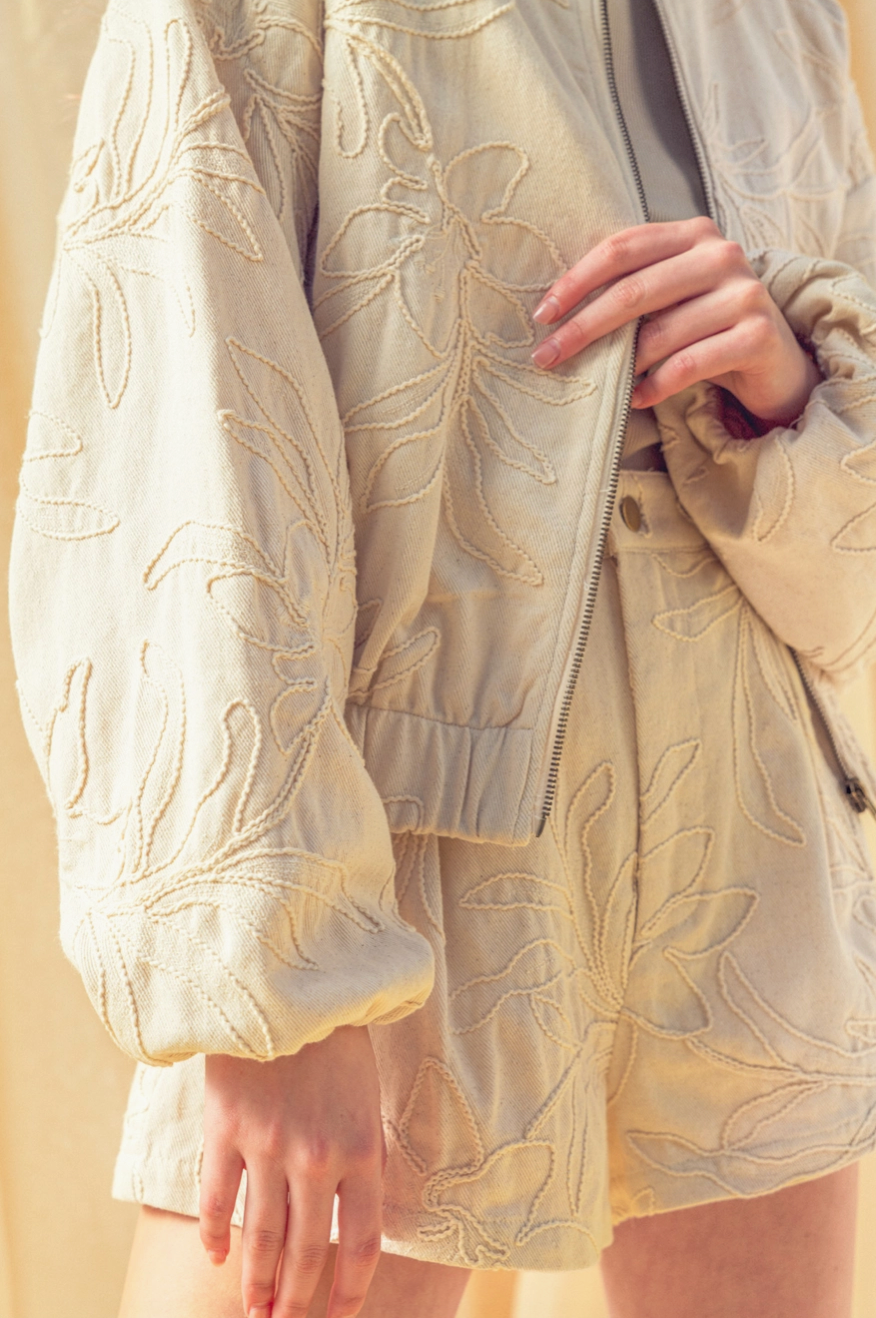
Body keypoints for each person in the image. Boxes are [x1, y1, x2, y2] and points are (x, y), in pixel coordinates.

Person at [8, 0, 876, 1314]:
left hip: (758, 854)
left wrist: (790, 392)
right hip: (394, 871)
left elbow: (848, 575)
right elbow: (176, 419)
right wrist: (281, 985)